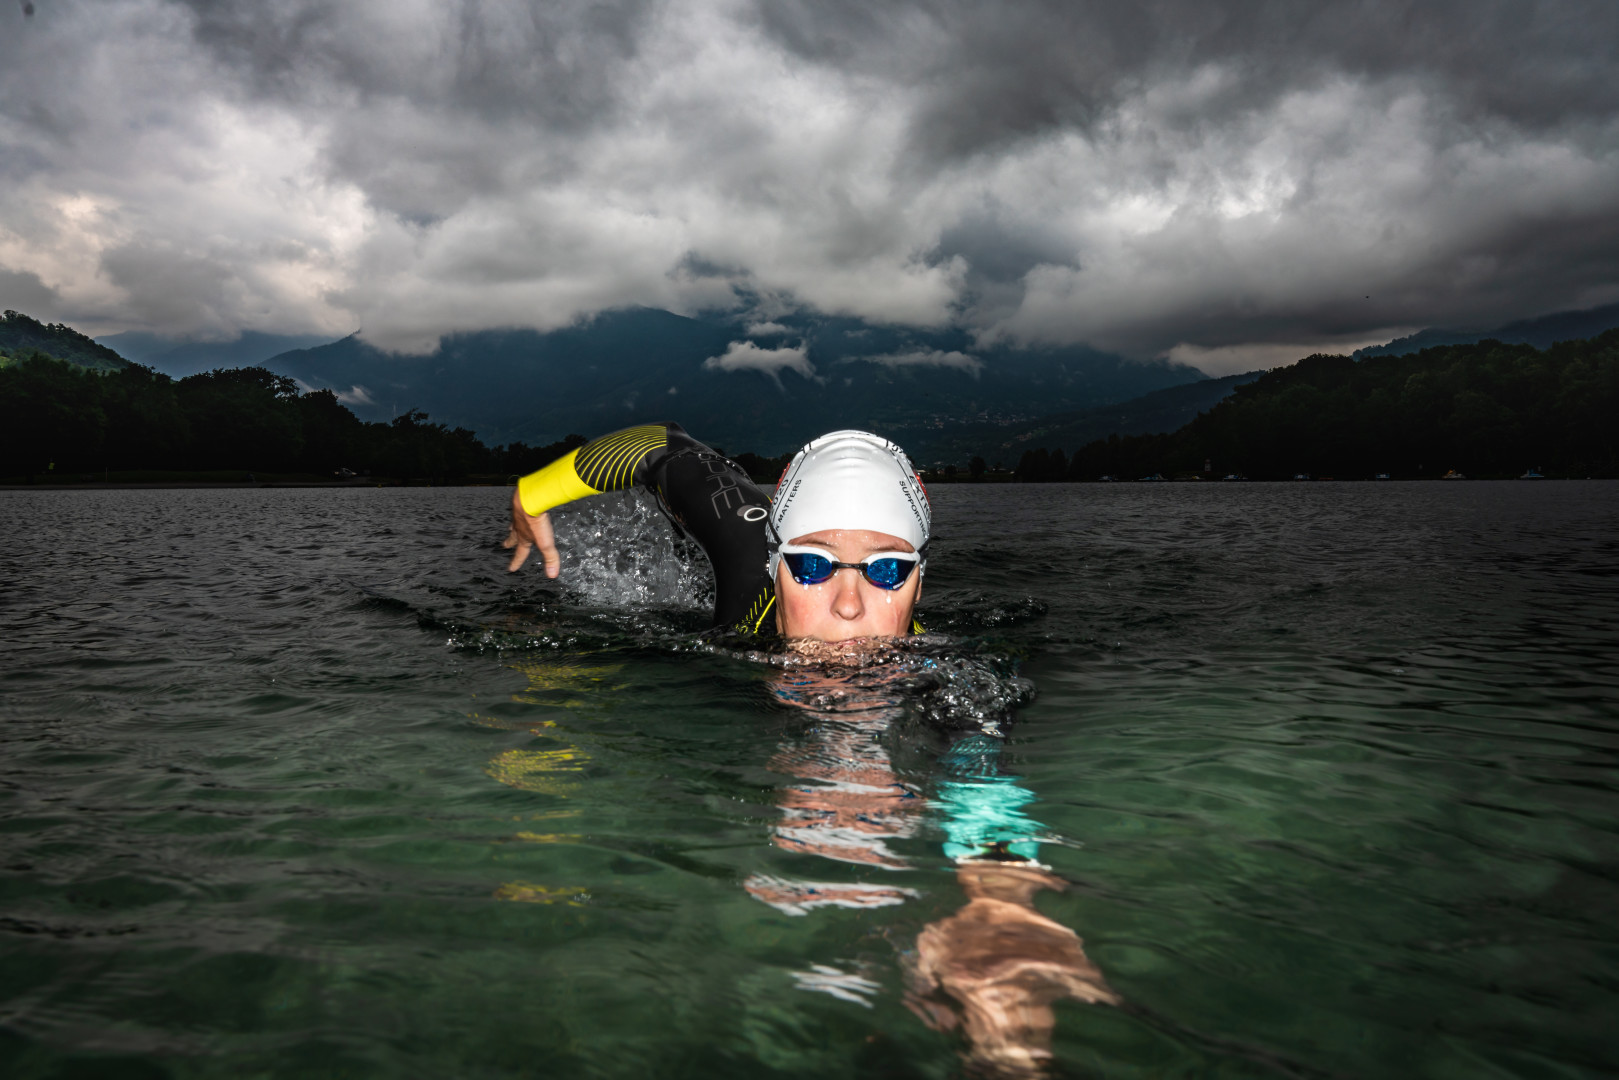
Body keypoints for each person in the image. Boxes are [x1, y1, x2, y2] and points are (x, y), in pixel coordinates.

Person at [502, 422, 929, 642]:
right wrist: (533, 495)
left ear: (919, 584)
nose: (848, 606)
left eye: (887, 569)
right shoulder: (749, 561)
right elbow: (663, 446)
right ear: (773, 564)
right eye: (812, 565)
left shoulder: (953, 685)